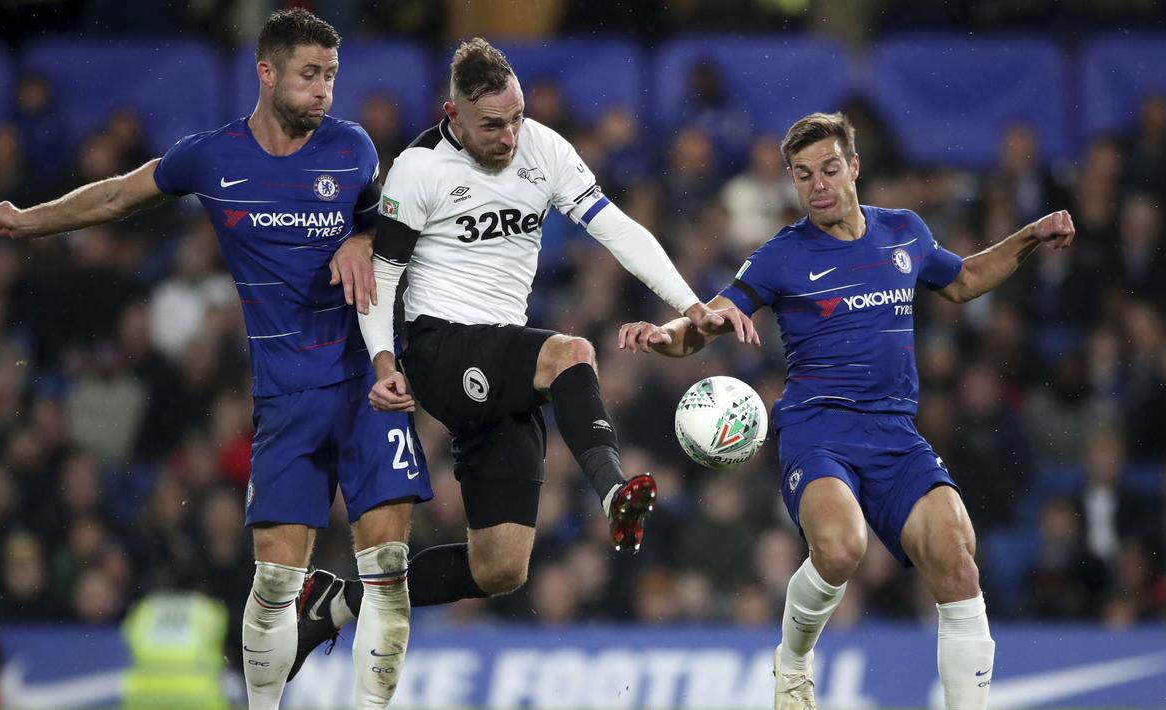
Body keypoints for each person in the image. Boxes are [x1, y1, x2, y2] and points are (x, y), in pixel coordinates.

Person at [0, 9, 432, 709]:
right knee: (276, 586)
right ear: (266, 72)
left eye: (331, 77)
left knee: (388, 573)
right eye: (310, 76)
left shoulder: (353, 150)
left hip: (367, 387)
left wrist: (362, 239)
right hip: (286, 397)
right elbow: (119, 195)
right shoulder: (211, 157)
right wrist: (29, 219)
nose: (324, 92)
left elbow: (396, 230)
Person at [287, 37, 754, 674]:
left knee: (500, 567)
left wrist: (691, 303)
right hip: (440, 347)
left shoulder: (543, 148)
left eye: (516, 116)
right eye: (492, 125)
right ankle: (613, 490)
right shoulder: (420, 168)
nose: (509, 135)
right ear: (452, 116)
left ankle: (334, 603)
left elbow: (615, 228)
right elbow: (384, 272)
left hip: (503, 363)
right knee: (571, 351)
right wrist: (383, 360)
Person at [617, 112, 1076, 710]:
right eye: (803, 175)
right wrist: (667, 335)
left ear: (854, 167)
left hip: (894, 432)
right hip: (817, 430)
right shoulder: (780, 257)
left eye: (830, 169)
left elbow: (962, 281)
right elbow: (706, 322)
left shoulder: (905, 232)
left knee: (956, 556)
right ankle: (794, 657)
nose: (819, 185)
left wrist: (1029, 236)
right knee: (839, 548)